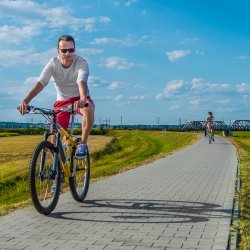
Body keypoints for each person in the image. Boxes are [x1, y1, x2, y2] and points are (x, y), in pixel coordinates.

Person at [18, 35, 94, 158]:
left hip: (79, 98)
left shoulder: (81, 62)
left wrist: (83, 98)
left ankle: (83, 145)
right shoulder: (53, 63)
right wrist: (25, 101)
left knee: (88, 107)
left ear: (74, 50)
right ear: (58, 51)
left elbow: (82, 82)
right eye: (64, 50)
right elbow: (41, 82)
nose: (68, 53)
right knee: (53, 142)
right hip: (62, 102)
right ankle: (58, 173)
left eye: (71, 50)